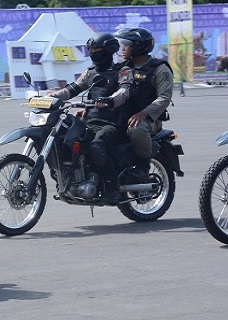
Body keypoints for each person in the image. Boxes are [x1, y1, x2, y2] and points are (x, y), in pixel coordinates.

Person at [48, 33, 133, 203]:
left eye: (98, 50)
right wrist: (51, 97)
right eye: (91, 50)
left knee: (96, 147)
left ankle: (112, 186)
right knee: (61, 140)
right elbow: (72, 89)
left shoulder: (123, 71)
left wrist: (110, 100)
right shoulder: (90, 73)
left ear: (109, 50)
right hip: (91, 122)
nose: (94, 53)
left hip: (113, 124)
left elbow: (124, 91)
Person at [114, 27, 174, 181]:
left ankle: (143, 167)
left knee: (137, 129)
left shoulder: (159, 69)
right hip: (123, 116)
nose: (122, 49)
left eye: (125, 45)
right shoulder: (123, 67)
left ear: (138, 47)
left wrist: (144, 113)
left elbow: (164, 98)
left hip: (149, 120)